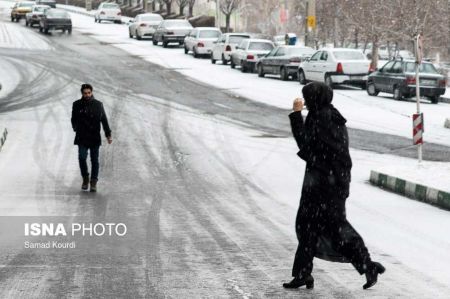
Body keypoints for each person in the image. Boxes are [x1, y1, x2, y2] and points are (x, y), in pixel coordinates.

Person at [283, 82, 385, 290]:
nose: (306, 102)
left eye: (308, 97)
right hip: (327, 182)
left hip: (326, 185)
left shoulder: (323, 117)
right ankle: (303, 274)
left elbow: (307, 146)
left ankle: (368, 265)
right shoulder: (327, 113)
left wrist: (296, 116)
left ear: (315, 98)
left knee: (335, 228)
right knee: (309, 228)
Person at [71, 84, 112, 192]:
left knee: (94, 160)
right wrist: (76, 128)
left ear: (92, 92)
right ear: (82, 93)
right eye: (85, 93)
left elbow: (104, 120)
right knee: (82, 157)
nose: (87, 95)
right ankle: (85, 178)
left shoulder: (98, 105)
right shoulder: (76, 104)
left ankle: (93, 181)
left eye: (89, 93)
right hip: (82, 136)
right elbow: (73, 119)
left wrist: (108, 134)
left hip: (94, 136)